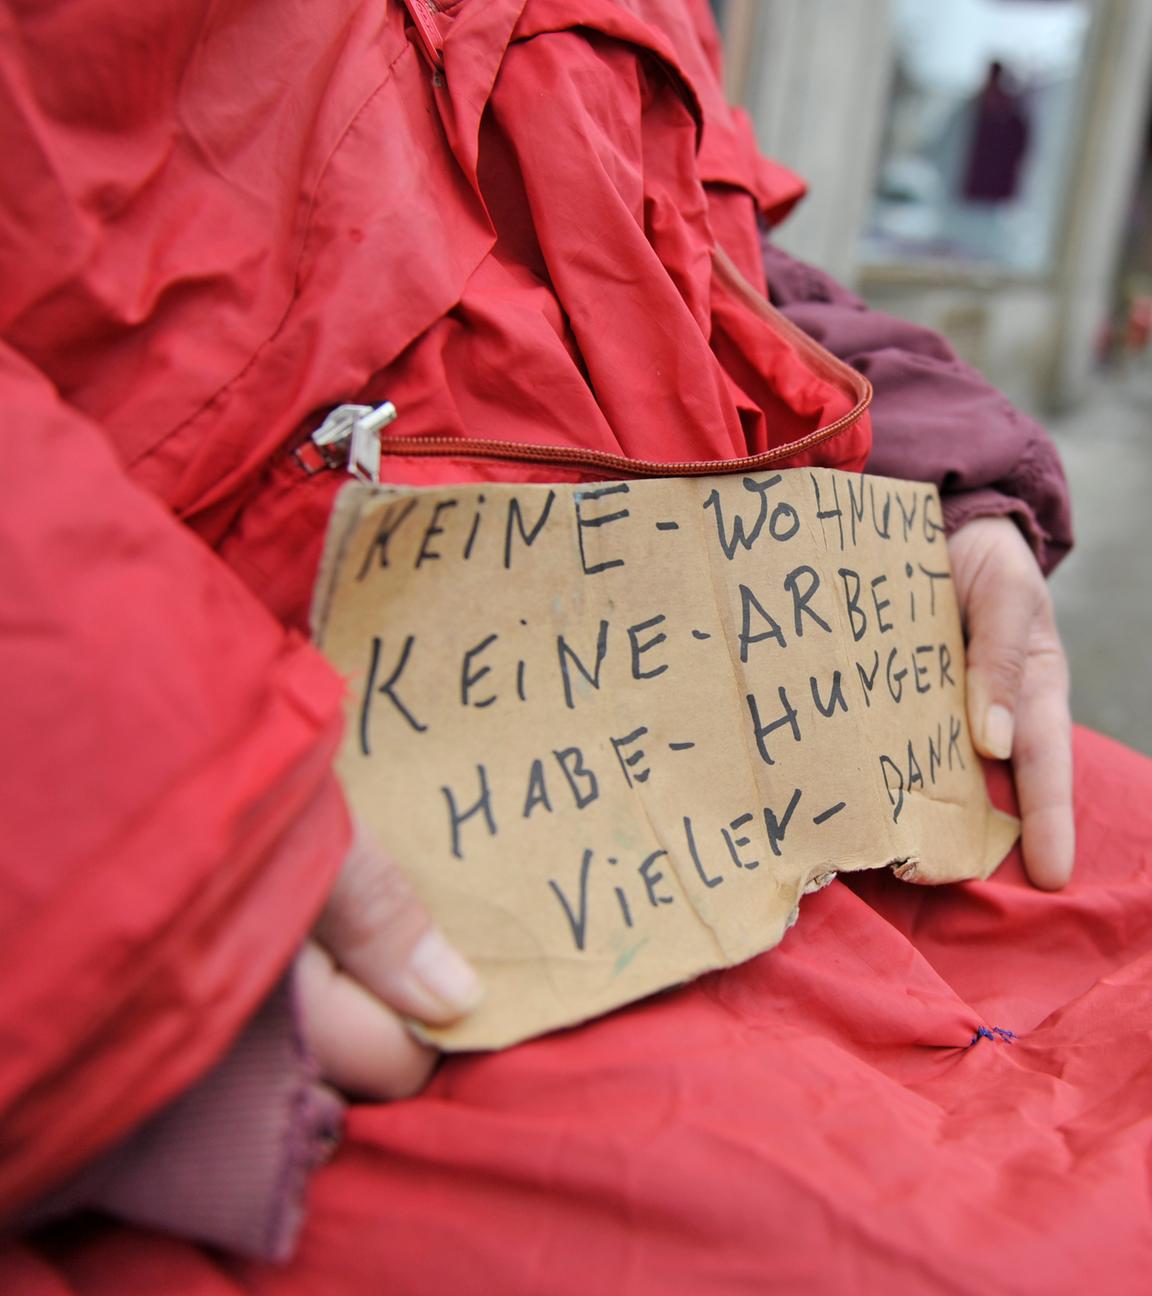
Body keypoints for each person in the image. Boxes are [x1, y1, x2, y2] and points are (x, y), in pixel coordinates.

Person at [2, 1, 1149, 1292]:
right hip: (306, 900)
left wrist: (937, 478)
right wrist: (130, 889)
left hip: (811, 743)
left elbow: (705, 251)